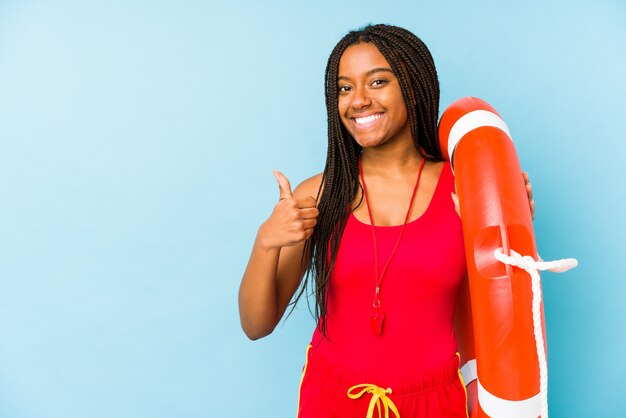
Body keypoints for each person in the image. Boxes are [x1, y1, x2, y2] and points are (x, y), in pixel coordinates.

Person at [238, 24, 534, 418]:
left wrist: (508, 217)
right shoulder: (319, 194)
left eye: (377, 82)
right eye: (344, 88)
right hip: (333, 399)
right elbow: (257, 325)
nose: (358, 100)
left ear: (413, 86)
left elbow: (502, 310)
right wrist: (266, 241)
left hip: (434, 402)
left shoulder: (463, 190)